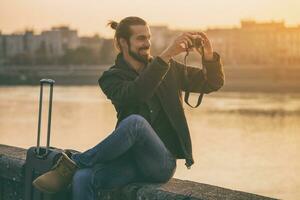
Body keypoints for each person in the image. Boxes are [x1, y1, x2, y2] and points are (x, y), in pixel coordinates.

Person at [32, 16, 225, 200]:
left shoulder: (169, 68)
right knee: (82, 178)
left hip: (161, 163)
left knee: (135, 123)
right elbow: (137, 93)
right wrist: (166, 55)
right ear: (122, 43)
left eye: (148, 37)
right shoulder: (111, 78)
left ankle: (74, 162)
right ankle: (75, 169)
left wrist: (208, 55)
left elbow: (211, 83)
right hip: (129, 163)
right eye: (141, 38)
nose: (147, 43)